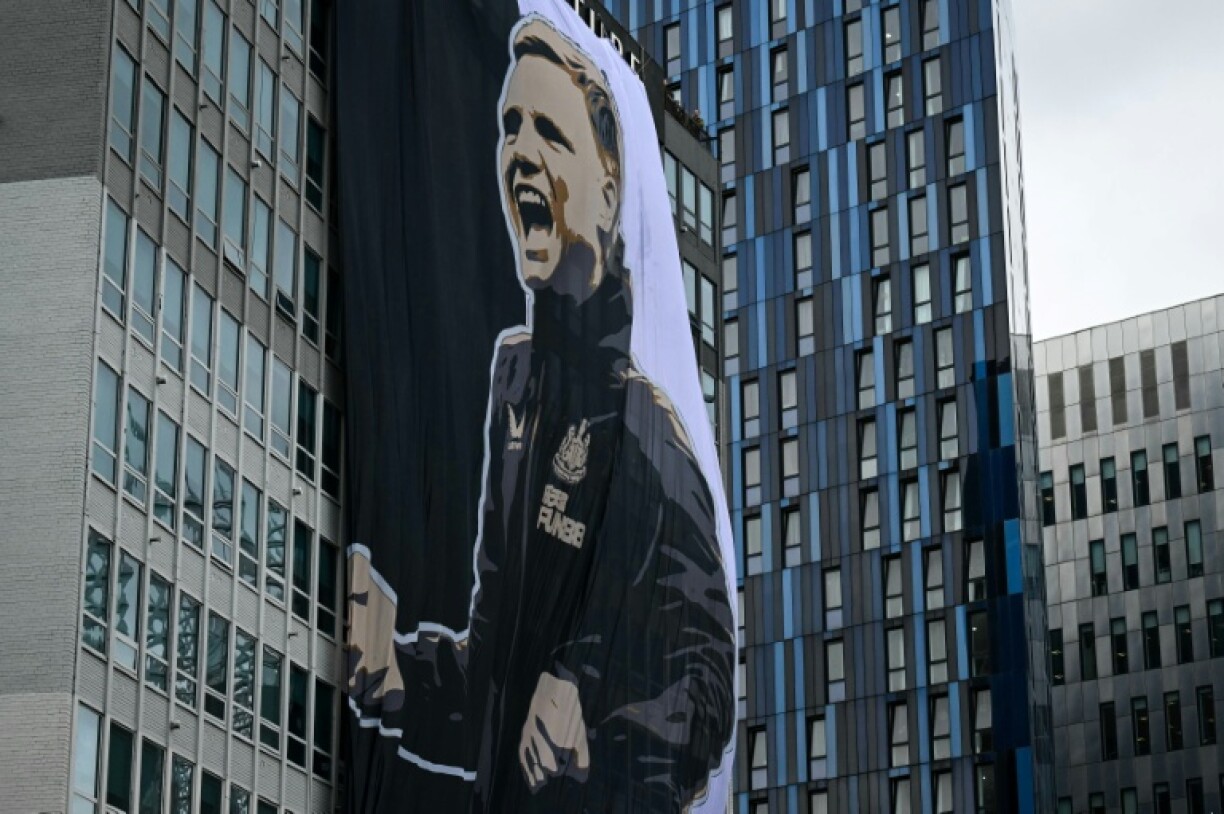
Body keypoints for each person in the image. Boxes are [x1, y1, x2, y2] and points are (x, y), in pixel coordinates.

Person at [348, 16, 735, 812]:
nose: (520, 151)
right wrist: (396, 669)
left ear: (608, 188)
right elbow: (493, 680)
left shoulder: (655, 442)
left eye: (550, 134)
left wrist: (599, 736)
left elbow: (709, 703)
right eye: (510, 127)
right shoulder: (516, 379)